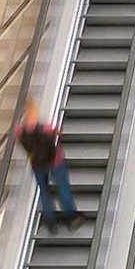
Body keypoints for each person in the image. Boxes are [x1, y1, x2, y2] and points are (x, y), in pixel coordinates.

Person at [15, 98, 81, 228]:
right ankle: (71, 217)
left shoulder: (19, 131)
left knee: (44, 190)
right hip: (55, 161)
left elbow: (21, 144)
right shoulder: (45, 128)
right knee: (62, 187)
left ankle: (50, 221)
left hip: (37, 164)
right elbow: (58, 132)